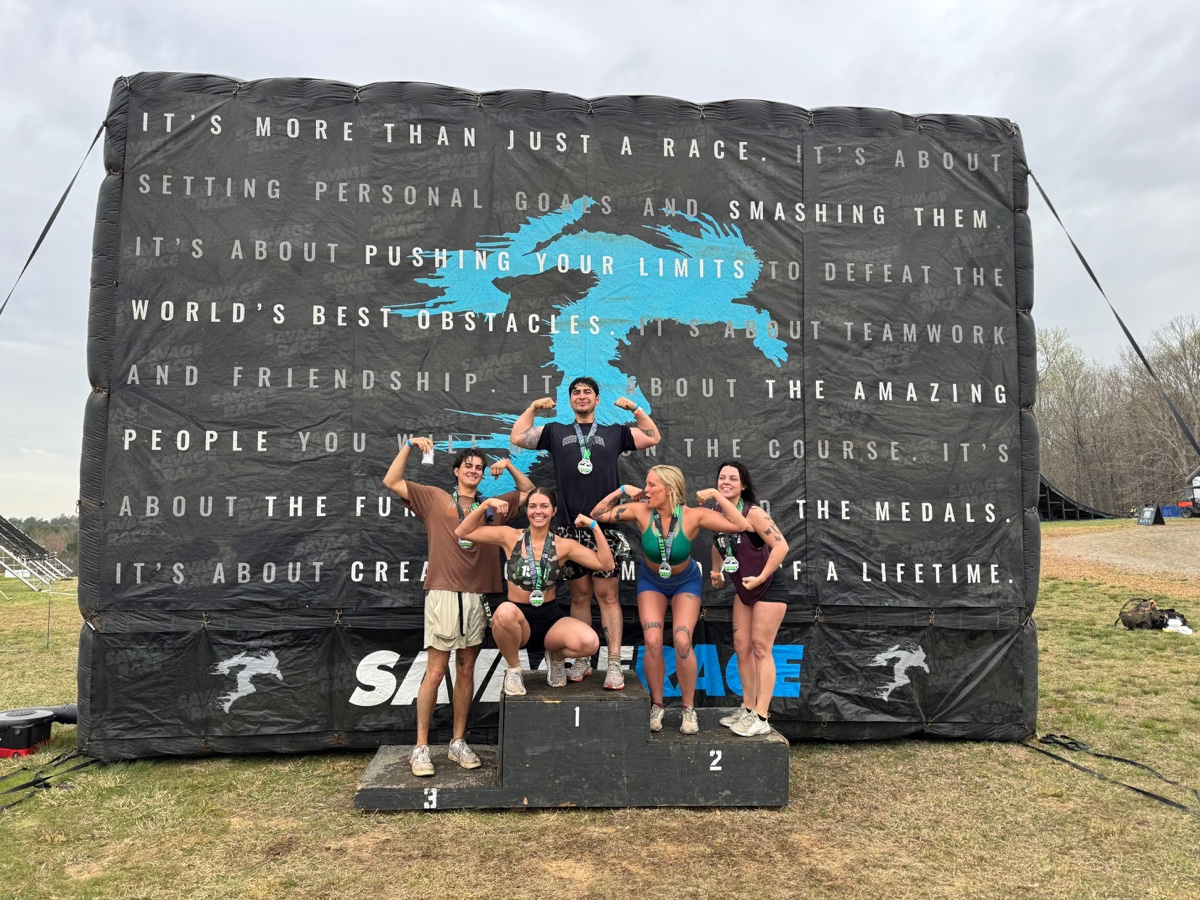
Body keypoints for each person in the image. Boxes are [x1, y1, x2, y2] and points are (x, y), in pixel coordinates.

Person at [383, 438, 533, 777]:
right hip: (444, 592)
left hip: (478, 594)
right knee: (436, 671)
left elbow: (528, 492)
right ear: (456, 471)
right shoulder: (435, 497)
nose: (474, 471)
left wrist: (509, 466)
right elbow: (391, 481)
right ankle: (420, 747)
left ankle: (457, 741)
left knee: (466, 671)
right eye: (468, 466)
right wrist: (408, 446)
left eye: (479, 468)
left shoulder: (493, 505)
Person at [509, 376, 661, 690]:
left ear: (597, 399)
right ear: (570, 400)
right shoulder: (555, 431)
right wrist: (534, 407)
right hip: (567, 529)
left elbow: (652, 436)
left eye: (587, 392)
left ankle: (615, 664)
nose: (581, 396)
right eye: (576, 392)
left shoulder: (614, 432)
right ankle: (582, 660)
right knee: (579, 595)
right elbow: (519, 435)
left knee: (607, 597)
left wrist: (635, 408)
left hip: (607, 529)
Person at [591, 465, 748, 734]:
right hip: (651, 581)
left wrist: (717, 496)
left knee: (682, 639)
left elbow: (741, 524)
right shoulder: (641, 511)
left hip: (685, 581)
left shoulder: (693, 516)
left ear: (669, 490)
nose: (646, 489)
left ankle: (688, 709)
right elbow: (597, 514)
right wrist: (622, 491)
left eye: (652, 485)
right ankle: (657, 705)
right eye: (646, 484)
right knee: (652, 640)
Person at [455, 487, 610, 696]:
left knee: (590, 643)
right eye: (533, 506)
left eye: (544, 506)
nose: (538, 511)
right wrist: (484, 505)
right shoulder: (510, 536)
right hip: (518, 619)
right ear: (526, 511)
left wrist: (594, 526)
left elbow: (605, 564)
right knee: (503, 612)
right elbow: (463, 532)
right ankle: (514, 670)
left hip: (550, 618)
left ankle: (556, 657)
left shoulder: (563, 545)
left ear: (554, 510)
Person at [708, 461, 790, 737]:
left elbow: (781, 546)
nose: (726, 482)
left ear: (743, 485)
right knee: (741, 647)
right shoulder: (717, 512)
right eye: (722, 478)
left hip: (769, 588)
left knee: (760, 648)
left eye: (733, 478)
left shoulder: (753, 513)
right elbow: (717, 543)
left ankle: (762, 716)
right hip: (744, 592)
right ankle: (747, 708)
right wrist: (716, 570)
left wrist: (760, 577)